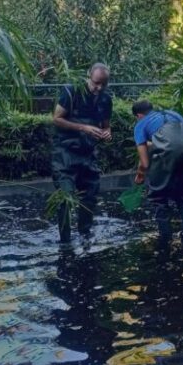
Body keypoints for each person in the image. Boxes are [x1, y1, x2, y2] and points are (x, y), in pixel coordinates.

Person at [51, 63, 112, 243]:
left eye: (103, 85)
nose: (98, 88)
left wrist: (107, 133)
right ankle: (65, 241)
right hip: (64, 153)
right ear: (88, 76)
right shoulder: (71, 91)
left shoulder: (106, 99)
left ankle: (85, 234)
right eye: (96, 83)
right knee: (65, 197)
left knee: (91, 193)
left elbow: (107, 125)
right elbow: (56, 118)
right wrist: (83, 127)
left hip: (88, 154)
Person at [132, 101, 183, 247]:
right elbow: (178, 139)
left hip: (170, 151)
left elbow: (144, 163)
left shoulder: (141, 124)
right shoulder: (171, 114)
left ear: (138, 116)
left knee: (159, 198)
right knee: (181, 196)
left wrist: (140, 175)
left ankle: (165, 239)